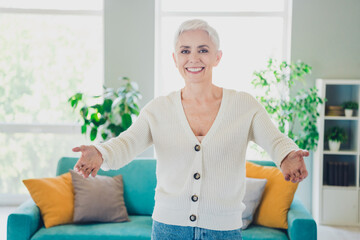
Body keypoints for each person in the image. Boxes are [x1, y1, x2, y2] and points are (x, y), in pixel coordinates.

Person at [72, 19, 309, 240]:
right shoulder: (158, 109)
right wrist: (100, 152)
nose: (193, 58)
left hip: (224, 230)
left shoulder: (244, 105)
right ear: (175, 59)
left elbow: (274, 139)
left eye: (203, 50)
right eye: (185, 51)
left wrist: (287, 155)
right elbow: (127, 143)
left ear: (217, 57)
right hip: (168, 228)